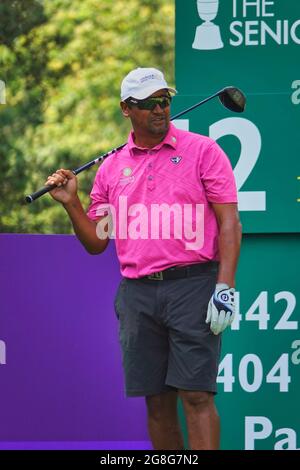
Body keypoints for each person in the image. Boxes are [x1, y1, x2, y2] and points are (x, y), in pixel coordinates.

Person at [45, 67, 242, 450]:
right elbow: (97, 243)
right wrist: (71, 204)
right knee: (157, 402)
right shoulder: (112, 168)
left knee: (197, 397)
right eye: (148, 103)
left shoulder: (203, 151)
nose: (159, 109)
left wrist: (225, 285)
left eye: (164, 100)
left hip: (193, 285)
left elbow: (229, 223)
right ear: (125, 109)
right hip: (138, 294)